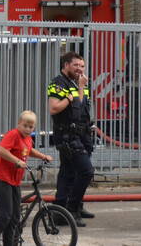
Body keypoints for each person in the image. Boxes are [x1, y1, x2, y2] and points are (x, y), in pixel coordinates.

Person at [0, 110, 53, 246]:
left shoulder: (28, 138)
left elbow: (28, 151)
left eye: (31, 127)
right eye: (25, 126)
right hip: (1, 179)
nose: (28, 129)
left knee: (15, 218)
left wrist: (43, 156)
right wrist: (17, 161)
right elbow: (1, 150)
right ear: (19, 124)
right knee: (6, 215)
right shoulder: (13, 135)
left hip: (14, 181)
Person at [47, 51, 95, 227]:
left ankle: (65, 209)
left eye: (82, 66)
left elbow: (83, 109)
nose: (80, 69)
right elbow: (54, 108)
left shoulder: (80, 82)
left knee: (69, 173)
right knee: (86, 171)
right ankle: (71, 209)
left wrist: (90, 125)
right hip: (67, 135)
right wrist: (78, 91)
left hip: (82, 135)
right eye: (76, 65)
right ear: (66, 65)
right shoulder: (59, 83)